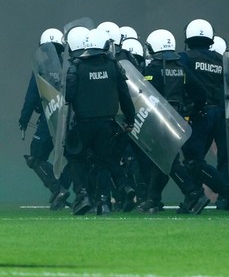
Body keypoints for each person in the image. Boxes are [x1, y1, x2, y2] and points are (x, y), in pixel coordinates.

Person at [64, 29, 136, 216]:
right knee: (103, 162)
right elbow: (125, 95)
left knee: (74, 158)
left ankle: (82, 195)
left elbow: (68, 96)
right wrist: (131, 119)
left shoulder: (76, 67)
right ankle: (103, 203)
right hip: (107, 125)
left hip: (83, 123)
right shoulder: (113, 66)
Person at [138, 29, 210, 215]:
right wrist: (191, 109)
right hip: (178, 119)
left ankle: (194, 193)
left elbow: (144, 95)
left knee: (168, 161)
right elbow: (201, 92)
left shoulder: (152, 68)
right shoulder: (180, 67)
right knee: (162, 160)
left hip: (158, 120)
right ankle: (153, 199)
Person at [178, 19, 229, 210]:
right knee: (224, 157)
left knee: (193, 160)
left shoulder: (184, 58)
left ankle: (220, 192)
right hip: (221, 112)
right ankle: (222, 197)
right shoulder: (221, 59)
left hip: (199, 114)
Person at [20, 28, 71, 210]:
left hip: (49, 118)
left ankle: (58, 189)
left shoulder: (41, 68)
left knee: (36, 156)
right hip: (71, 120)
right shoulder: (71, 65)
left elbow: (32, 95)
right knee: (75, 159)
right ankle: (78, 192)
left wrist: (24, 119)